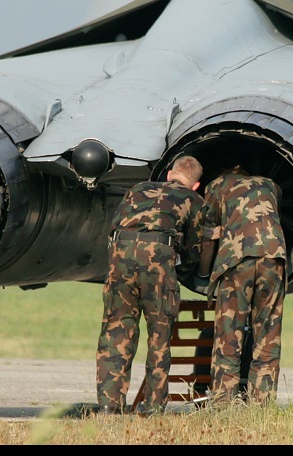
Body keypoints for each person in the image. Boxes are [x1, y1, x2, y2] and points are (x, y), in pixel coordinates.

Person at [96, 155, 205, 415]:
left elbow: (113, 227)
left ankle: (110, 407)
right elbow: (195, 247)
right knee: (159, 335)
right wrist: (183, 271)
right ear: (196, 185)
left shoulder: (137, 189)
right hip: (159, 259)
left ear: (169, 174)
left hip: (121, 256)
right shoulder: (193, 200)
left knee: (116, 331)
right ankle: (153, 407)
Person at [197, 164, 287, 405]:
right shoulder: (269, 184)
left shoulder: (217, 186)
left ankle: (223, 404)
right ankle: (262, 405)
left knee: (229, 336)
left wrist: (203, 274)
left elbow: (208, 236)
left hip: (237, 261)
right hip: (274, 259)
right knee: (267, 335)